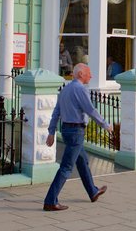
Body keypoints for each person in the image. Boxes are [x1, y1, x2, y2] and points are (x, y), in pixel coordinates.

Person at [43, 63, 111, 211]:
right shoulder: (80, 89)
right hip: (76, 132)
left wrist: (51, 131)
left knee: (82, 161)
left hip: (67, 131)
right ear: (80, 74)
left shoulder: (65, 90)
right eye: (88, 73)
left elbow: (56, 112)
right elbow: (90, 110)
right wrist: (106, 125)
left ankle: (93, 192)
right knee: (66, 167)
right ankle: (50, 201)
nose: (91, 76)